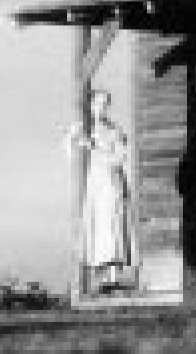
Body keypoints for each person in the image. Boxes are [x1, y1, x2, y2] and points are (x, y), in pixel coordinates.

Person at [66, 89, 132, 292]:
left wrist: (94, 148)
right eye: (98, 103)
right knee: (96, 224)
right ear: (90, 105)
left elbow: (120, 157)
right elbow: (69, 150)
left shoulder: (114, 130)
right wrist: (78, 143)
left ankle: (113, 276)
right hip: (94, 183)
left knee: (113, 224)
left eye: (105, 104)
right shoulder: (81, 127)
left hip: (111, 181)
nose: (102, 108)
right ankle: (97, 277)